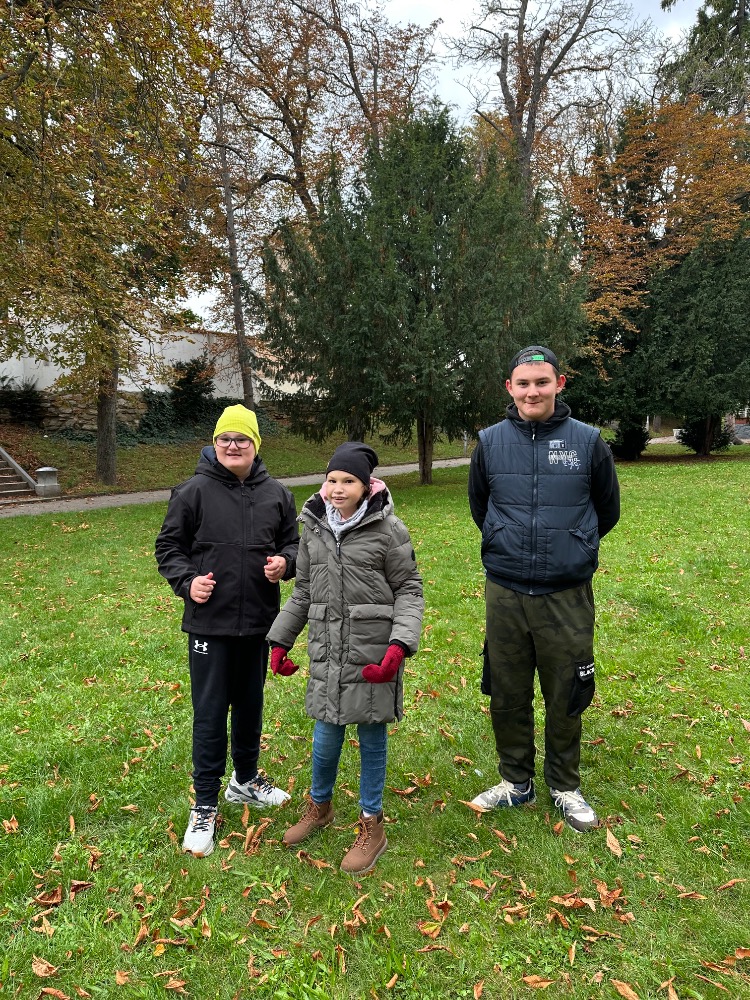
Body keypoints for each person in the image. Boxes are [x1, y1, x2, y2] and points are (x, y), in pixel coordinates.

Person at [468, 346, 620, 832]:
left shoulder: (587, 441)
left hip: (566, 595)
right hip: (506, 591)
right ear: (510, 388)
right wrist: (504, 540)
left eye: (542, 382)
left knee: (566, 691)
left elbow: (607, 509)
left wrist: (574, 545)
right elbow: (480, 506)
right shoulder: (489, 442)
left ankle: (564, 785)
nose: (532, 392)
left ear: (559, 383)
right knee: (507, 690)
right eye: (524, 383)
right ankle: (516, 781)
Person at [267, 442, 423, 875]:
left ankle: (372, 823)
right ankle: (319, 806)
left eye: (348, 481)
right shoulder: (314, 528)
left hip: (373, 652)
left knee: (371, 737)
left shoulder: (388, 529)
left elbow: (409, 589)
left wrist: (398, 647)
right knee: (325, 735)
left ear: (366, 486)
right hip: (327, 651)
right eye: (332, 479)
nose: (337, 488)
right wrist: (280, 641)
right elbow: (303, 592)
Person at [155, 404, 299, 857]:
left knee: (251, 705)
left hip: (258, 622)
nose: (232, 446)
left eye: (241, 439)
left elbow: (294, 543)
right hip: (210, 625)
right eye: (225, 439)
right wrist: (187, 582)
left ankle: (245, 780)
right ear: (214, 443)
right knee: (211, 712)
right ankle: (204, 803)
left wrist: (286, 562)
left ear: (256, 444)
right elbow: (169, 547)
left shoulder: (277, 494)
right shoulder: (192, 492)